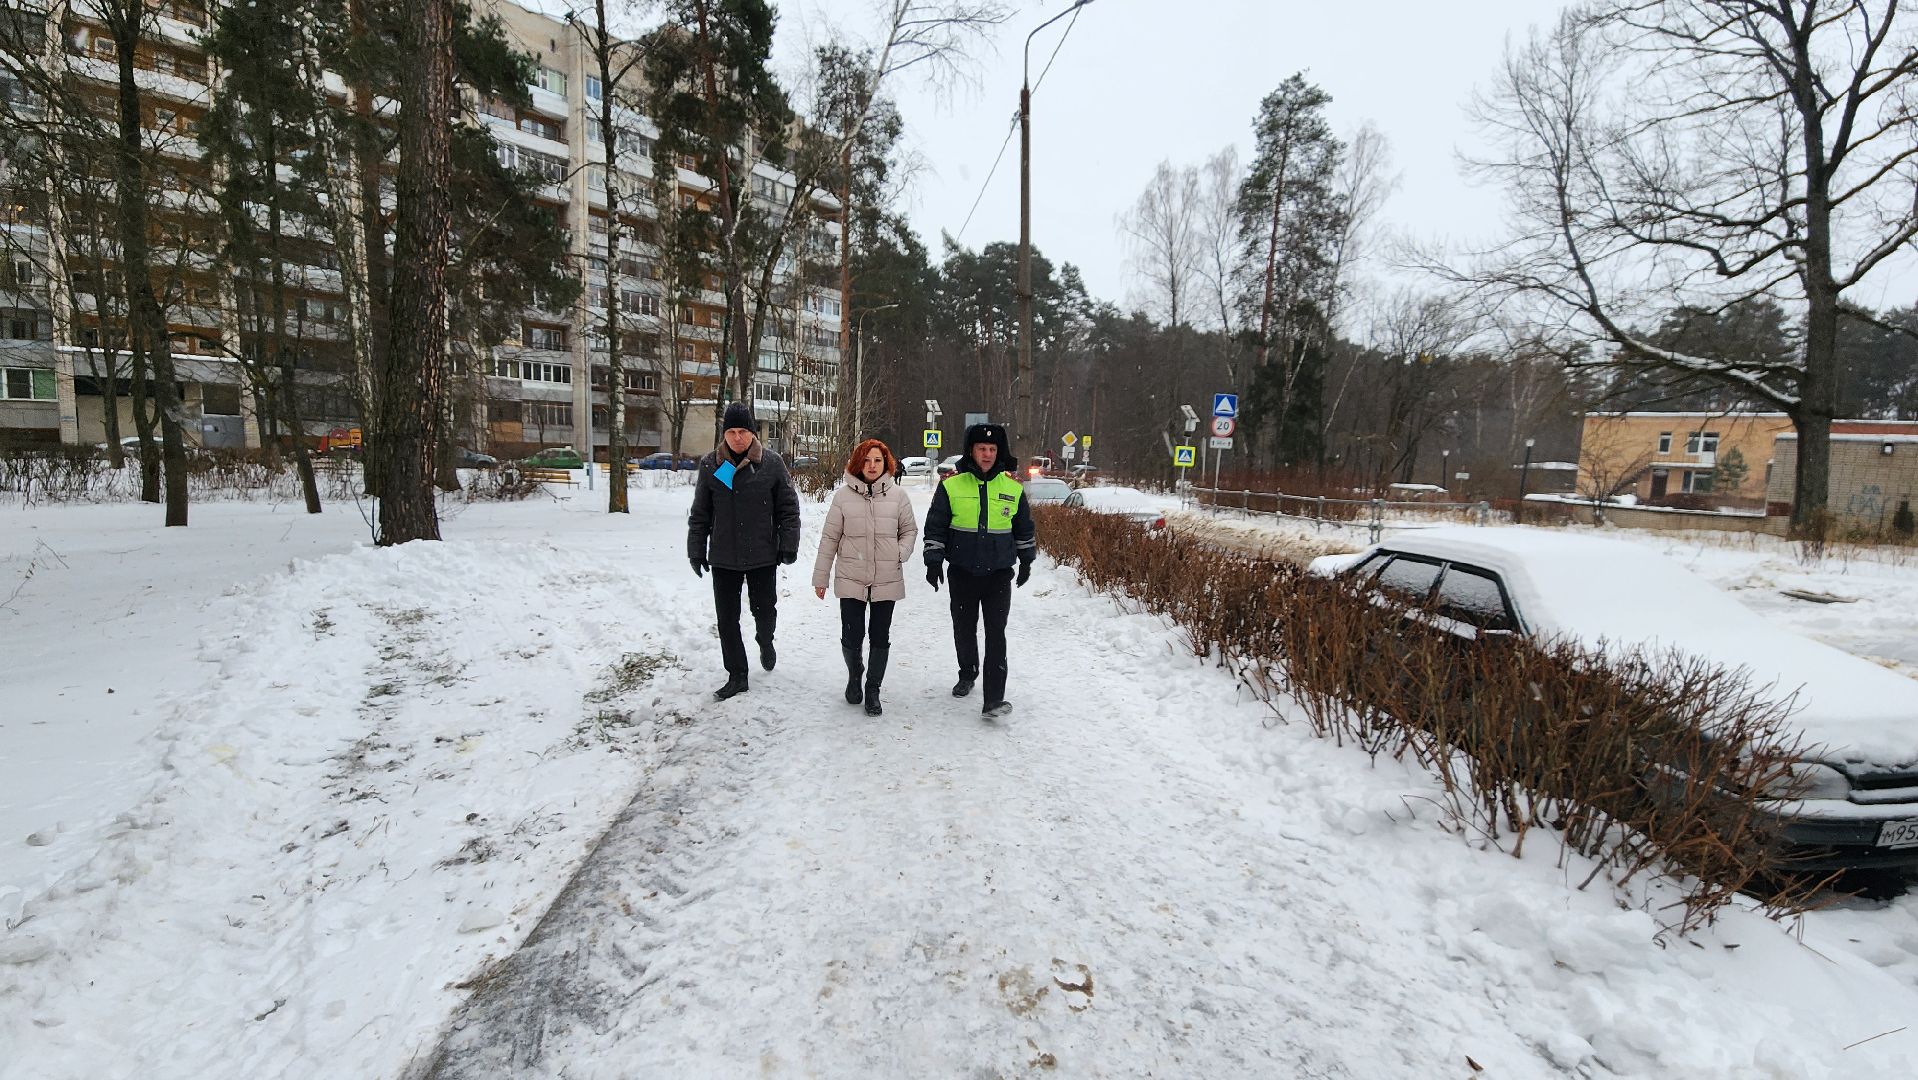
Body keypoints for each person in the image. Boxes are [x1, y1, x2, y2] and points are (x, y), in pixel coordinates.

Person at [687, 402, 801, 700]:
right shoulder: (712, 464)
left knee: (765, 611)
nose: (737, 438)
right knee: (727, 619)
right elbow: (701, 512)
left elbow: (788, 509)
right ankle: (737, 674)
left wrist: (788, 545)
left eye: (743, 432)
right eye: (731, 432)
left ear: (752, 433)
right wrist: (696, 549)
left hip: (763, 554)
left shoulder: (771, 464)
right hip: (724, 555)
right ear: (725, 434)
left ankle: (765, 639)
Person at [922, 422, 1035, 720]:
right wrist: (934, 561)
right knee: (964, 627)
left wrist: (1026, 561)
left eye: (992, 449)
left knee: (996, 633)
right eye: (982, 448)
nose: (987, 454)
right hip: (962, 572)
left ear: (999, 452)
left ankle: (994, 699)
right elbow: (936, 526)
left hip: (998, 574)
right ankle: (967, 671)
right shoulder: (951, 485)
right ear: (971, 450)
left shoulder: (1012, 487)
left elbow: (1023, 528)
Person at [812, 438, 918, 717]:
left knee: (880, 636)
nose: (872, 466)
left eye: (878, 461)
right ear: (858, 463)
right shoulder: (843, 497)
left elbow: (910, 530)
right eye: (867, 460)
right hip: (851, 576)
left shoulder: (898, 496)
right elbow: (829, 538)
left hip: (886, 577)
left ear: (886, 464)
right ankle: (855, 672)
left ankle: (873, 689)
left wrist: (900, 552)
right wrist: (820, 577)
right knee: (851, 635)